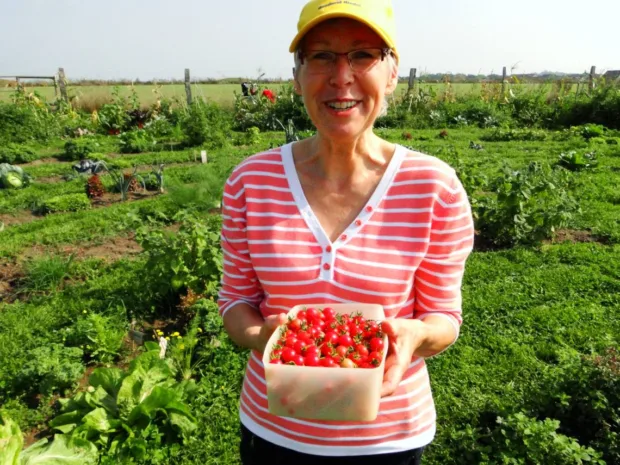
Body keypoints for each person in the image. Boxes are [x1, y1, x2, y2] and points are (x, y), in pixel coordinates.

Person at [217, 1, 475, 464]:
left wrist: (413, 335)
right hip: (274, 433)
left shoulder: (435, 186)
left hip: (387, 439)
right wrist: (262, 336)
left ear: (392, 74)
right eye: (321, 56)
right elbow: (236, 301)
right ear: (297, 78)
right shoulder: (249, 182)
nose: (341, 77)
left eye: (362, 55)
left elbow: (443, 317)